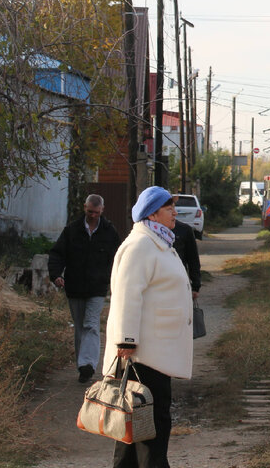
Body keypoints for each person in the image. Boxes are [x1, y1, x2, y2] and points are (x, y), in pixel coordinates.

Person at [105, 186, 194, 468]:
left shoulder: (159, 242)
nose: (175, 213)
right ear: (153, 214)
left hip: (157, 351)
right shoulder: (140, 245)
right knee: (150, 425)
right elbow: (127, 296)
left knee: (136, 425)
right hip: (143, 353)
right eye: (169, 209)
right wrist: (126, 342)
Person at [47, 193, 121, 383]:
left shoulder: (109, 232)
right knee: (80, 327)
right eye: (90, 212)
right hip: (74, 286)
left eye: (96, 212)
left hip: (97, 287)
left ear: (102, 210)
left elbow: (118, 258)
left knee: (91, 325)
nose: (93, 215)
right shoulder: (72, 230)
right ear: (84, 208)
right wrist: (56, 275)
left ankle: (88, 364)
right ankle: (82, 366)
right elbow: (57, 254)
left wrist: (116, 280)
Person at [170, 209, 201, 301]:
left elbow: (193, 259)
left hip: (179, 284)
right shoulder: (147, 233)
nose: (174, 212)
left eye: (173, 207)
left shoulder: (184, 229)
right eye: (168, 209)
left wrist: (195, 285)